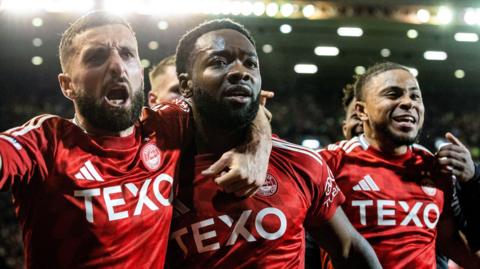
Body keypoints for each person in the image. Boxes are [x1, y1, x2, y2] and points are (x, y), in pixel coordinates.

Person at [0, 11, 270, 268]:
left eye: (128, 54)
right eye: (96, 57)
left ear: (140, 75)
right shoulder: (46, 141)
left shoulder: (166, 127)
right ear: (67, 85)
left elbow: (244, 101)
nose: (117, 67)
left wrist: (256, 147)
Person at [166, 18, 381, 268]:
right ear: (185, 84)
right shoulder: (156, 168)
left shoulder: (301, 163)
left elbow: (348, 249)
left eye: (251, 64)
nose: (240, 72)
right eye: (219, 62)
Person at [317, 62, 480, 268]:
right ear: (361, 111)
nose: (408, 103)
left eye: (415, 96)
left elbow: (448, 241)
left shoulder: (434, 167)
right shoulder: (329, 163)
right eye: (393, 94)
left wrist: (474, 177)